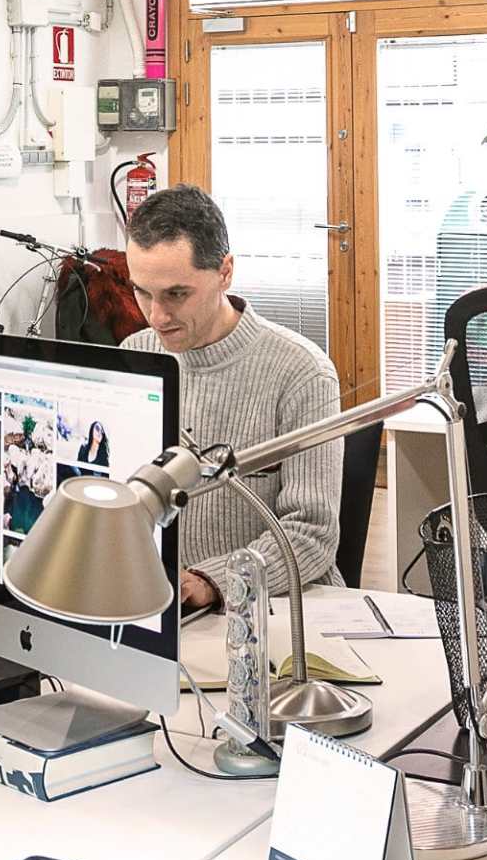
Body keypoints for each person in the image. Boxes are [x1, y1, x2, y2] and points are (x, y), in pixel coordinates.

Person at [119, 186, 342, 611]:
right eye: (142, 292)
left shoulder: (300, 373)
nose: (156, 315)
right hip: (160, 606)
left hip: (264, 609)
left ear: (225, 272)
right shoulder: (134, 355)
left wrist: (211, 582)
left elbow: (311, 534)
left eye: (176, 294)